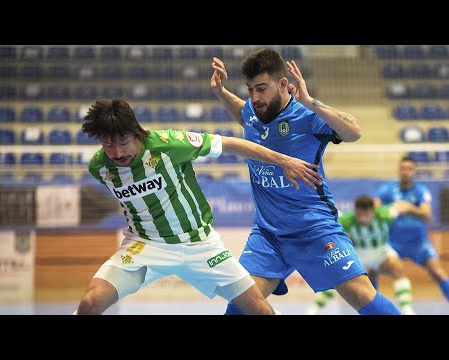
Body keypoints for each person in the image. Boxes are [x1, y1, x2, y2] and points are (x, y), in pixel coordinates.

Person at [73, 98, 324, 315]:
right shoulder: (100, 167)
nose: (117, 152)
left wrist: (283, 161)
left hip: (200, 244)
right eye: (108, 144)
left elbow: (230, 144)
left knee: (259, 309)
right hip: (146, 245)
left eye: (123, 142)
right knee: (90, 302)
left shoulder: (169, 144)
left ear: (136, 132)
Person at [210, 47, 401, 315]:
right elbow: (245, 115)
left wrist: (311, 102)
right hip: (268, 234)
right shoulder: (254, 111)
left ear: (283, 84)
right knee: (240, 306)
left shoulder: (307, 117)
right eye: (250, 89)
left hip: (314, 229)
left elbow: (354, 132)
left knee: (361, 294)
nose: (255, 97)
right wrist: (221, 92)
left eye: (262, 88)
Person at [306, 194, 416, 315]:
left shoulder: (385, 214)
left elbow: (401, 206)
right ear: (355, 211)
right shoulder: (347, 219)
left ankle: (407, 310)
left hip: (380, 252)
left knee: (398, 268)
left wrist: (411, 208)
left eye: (366, 214)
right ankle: (314, 310)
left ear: (373, 211)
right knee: (338, 279)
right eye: (359, 214)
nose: (363, 218)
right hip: (359, 254)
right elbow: (327, 217)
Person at [374, 155, 449, 302]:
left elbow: (427, 215)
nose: (405, 172)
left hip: (419, 243)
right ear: (398, 170)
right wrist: (391, 208)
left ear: (414, 172)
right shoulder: (387, 189)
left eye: (409, 169)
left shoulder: (421, 190)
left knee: (438, 273)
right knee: (371, 271)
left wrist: (408, 208)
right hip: (392, 243)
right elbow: (375, 209)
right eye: (403, 168)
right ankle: (370, 307)